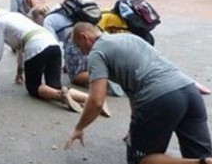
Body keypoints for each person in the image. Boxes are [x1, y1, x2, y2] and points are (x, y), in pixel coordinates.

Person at [65, 22, 212, 164]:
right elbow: (137, 88)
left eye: (79, 47)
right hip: (189, 90)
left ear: (84, 37)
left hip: (160, 98)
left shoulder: (97, 52)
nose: (81, 52)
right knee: (201, 153)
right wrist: (135, 129)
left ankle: (197, 162)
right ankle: (202, 160)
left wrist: (79, 128)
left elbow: (96, 101)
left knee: (141, 158)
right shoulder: (129, 37)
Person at [0, 9, 97, 114]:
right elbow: (20, 47)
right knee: (54, 85)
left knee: (34, 88)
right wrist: (20, 71)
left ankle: (62, 96)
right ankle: (90, 99)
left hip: (36, 48)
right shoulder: (14, 16)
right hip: (53, 45)